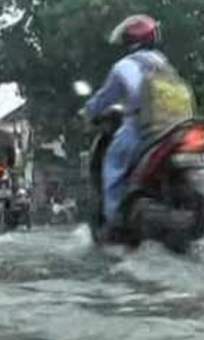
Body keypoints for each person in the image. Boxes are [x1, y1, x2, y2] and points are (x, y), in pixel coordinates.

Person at [80, 14, 174, 232]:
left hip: (142, 126)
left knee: (112, 166)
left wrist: (88, 112)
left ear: (130, 40)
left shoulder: (123, 66)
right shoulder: (162, 61)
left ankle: (115, 224)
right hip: (173, 125)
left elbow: (104, 98)